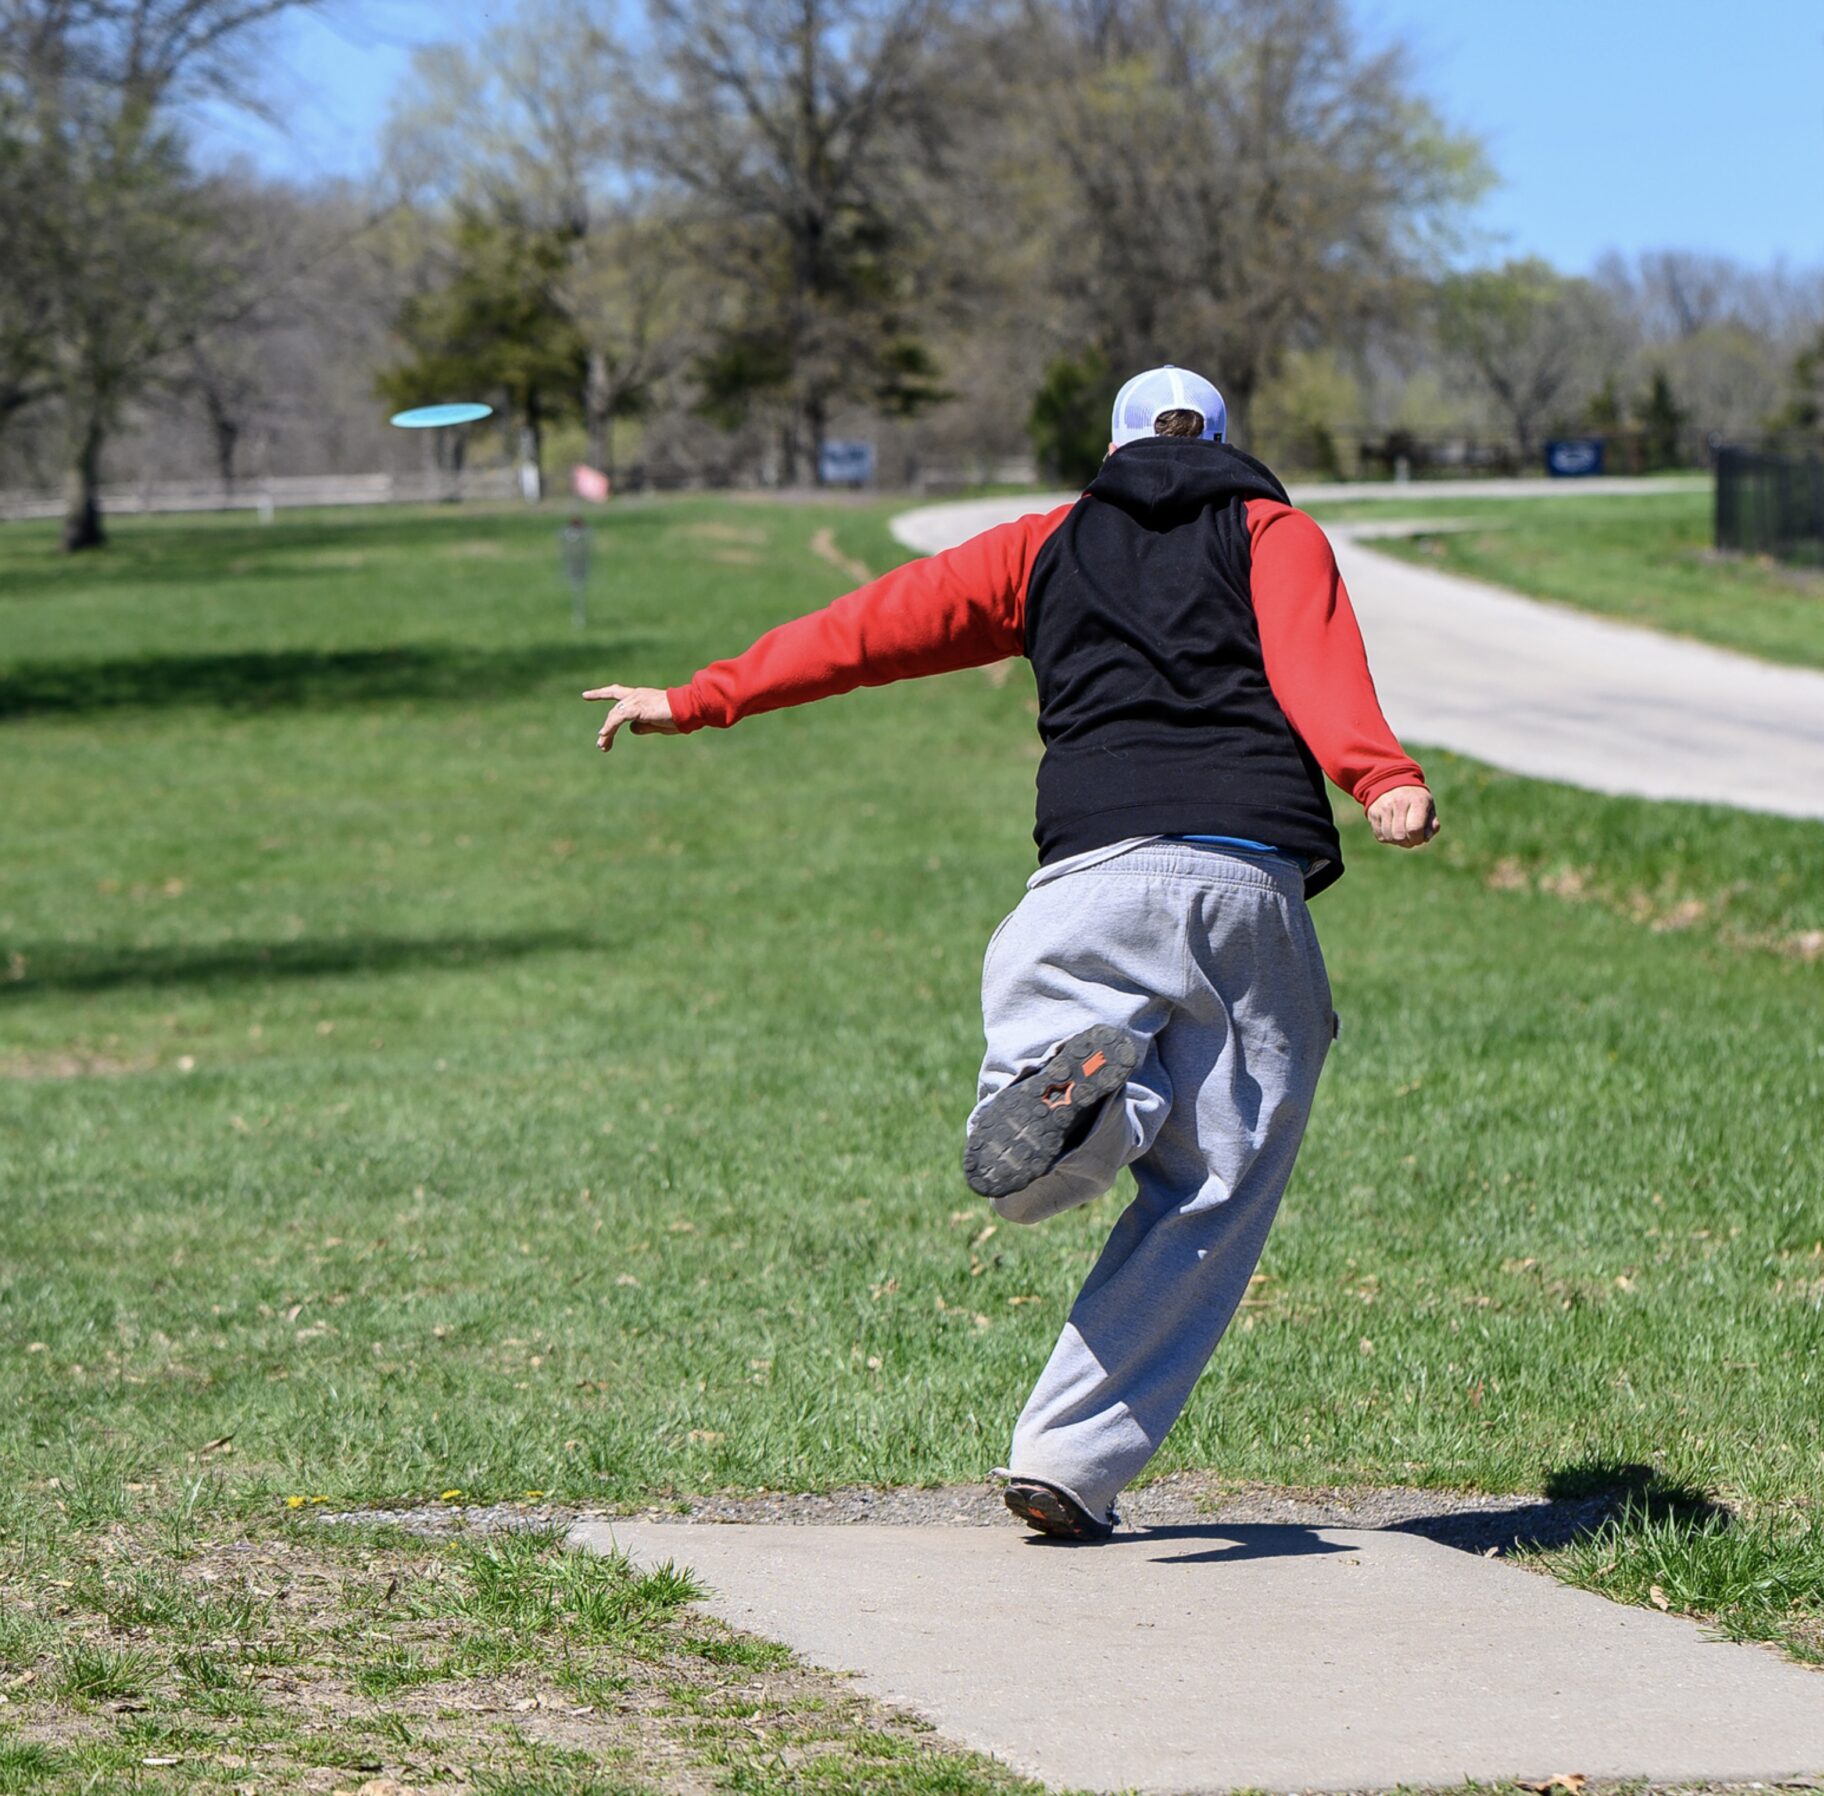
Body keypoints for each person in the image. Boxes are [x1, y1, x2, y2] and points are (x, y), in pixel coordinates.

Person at [583, 366, 1438, 1539]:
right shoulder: (1272, 530)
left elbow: (870, 629)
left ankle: (1092, 1102)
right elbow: (1310, 660)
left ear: (1114, 444)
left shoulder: (1043, 544)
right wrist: (1379, 775)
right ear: (1229, 443)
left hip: (1084, 881)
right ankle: (1067, 1459)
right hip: (1247, 878)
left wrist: (701, 696)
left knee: (1043, 1152)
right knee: (1215, 1188)